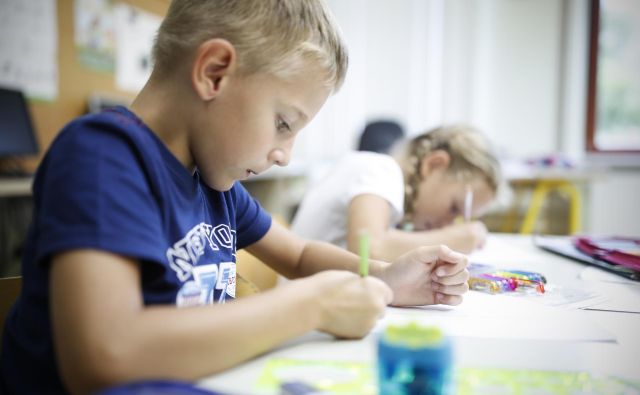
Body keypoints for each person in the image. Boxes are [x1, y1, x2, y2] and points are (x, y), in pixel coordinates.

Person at [0, 1, 470, 394]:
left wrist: (389, 277)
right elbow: (106, 355)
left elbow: (301, 256)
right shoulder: (104, 157)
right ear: (214, 72)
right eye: (284, 124)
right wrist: (311, 307)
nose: (285, 155)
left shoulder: (211, 182)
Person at [292, 125, 502, 261]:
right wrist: (450, 239)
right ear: (433, 164)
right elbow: (368, 250)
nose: (449, 224)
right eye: (454, 208)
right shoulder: (381, 169)